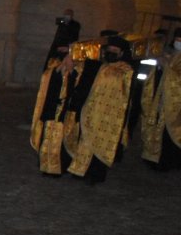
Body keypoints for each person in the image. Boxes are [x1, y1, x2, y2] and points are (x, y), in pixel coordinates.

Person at [66, 37, 135, 184]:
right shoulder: (98, 65)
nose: (111, 53)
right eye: (109, 50)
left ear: (121, 53)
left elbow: (125, 95)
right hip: (91, 110)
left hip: (110, 116)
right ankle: (79, 170)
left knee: (101, 144)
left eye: (115, 51)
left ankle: (95, 175)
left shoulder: (126, 70)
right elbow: (80, 71)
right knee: (86, 140)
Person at [30, 50, 79, 175]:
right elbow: (49, 85)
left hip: (65, 113)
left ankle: (59, 167)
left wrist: (71, 71)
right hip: (52, 110)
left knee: (62, 140)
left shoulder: (77, 73)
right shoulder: (51, 71)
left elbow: (75, 88)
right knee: (47, 137)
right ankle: (45, 165)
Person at [141, 30, 181, 170]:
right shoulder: (171, 54)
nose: (178, 42)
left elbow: (177, 79)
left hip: (176, 104)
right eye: (177, 39)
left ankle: (166, 162)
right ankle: (152, 156)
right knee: (156, 126)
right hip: (162, 98)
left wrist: (167, 68)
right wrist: (159, 66)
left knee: (170, 133)